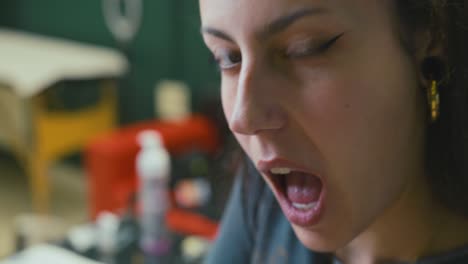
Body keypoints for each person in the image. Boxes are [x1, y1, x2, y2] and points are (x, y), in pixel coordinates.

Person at [199, 1, 468, 263]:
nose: (243, 119)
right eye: (228, 58)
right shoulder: (264, 197)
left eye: (304, 49)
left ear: (430, 36)